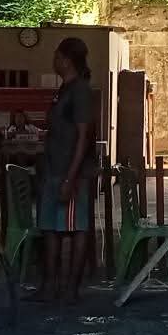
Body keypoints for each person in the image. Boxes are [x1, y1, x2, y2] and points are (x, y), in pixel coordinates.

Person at [34, 37, 97, 304]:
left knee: (75, 227)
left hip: (71, 171)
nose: (54, 61)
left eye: (57, 56)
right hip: (54, 168)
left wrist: (71, 177)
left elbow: (83, 135)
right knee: (50, 227)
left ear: (67, 61)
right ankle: (50, 286)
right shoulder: (63, 89)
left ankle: (71, 288)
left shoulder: (80, 91)